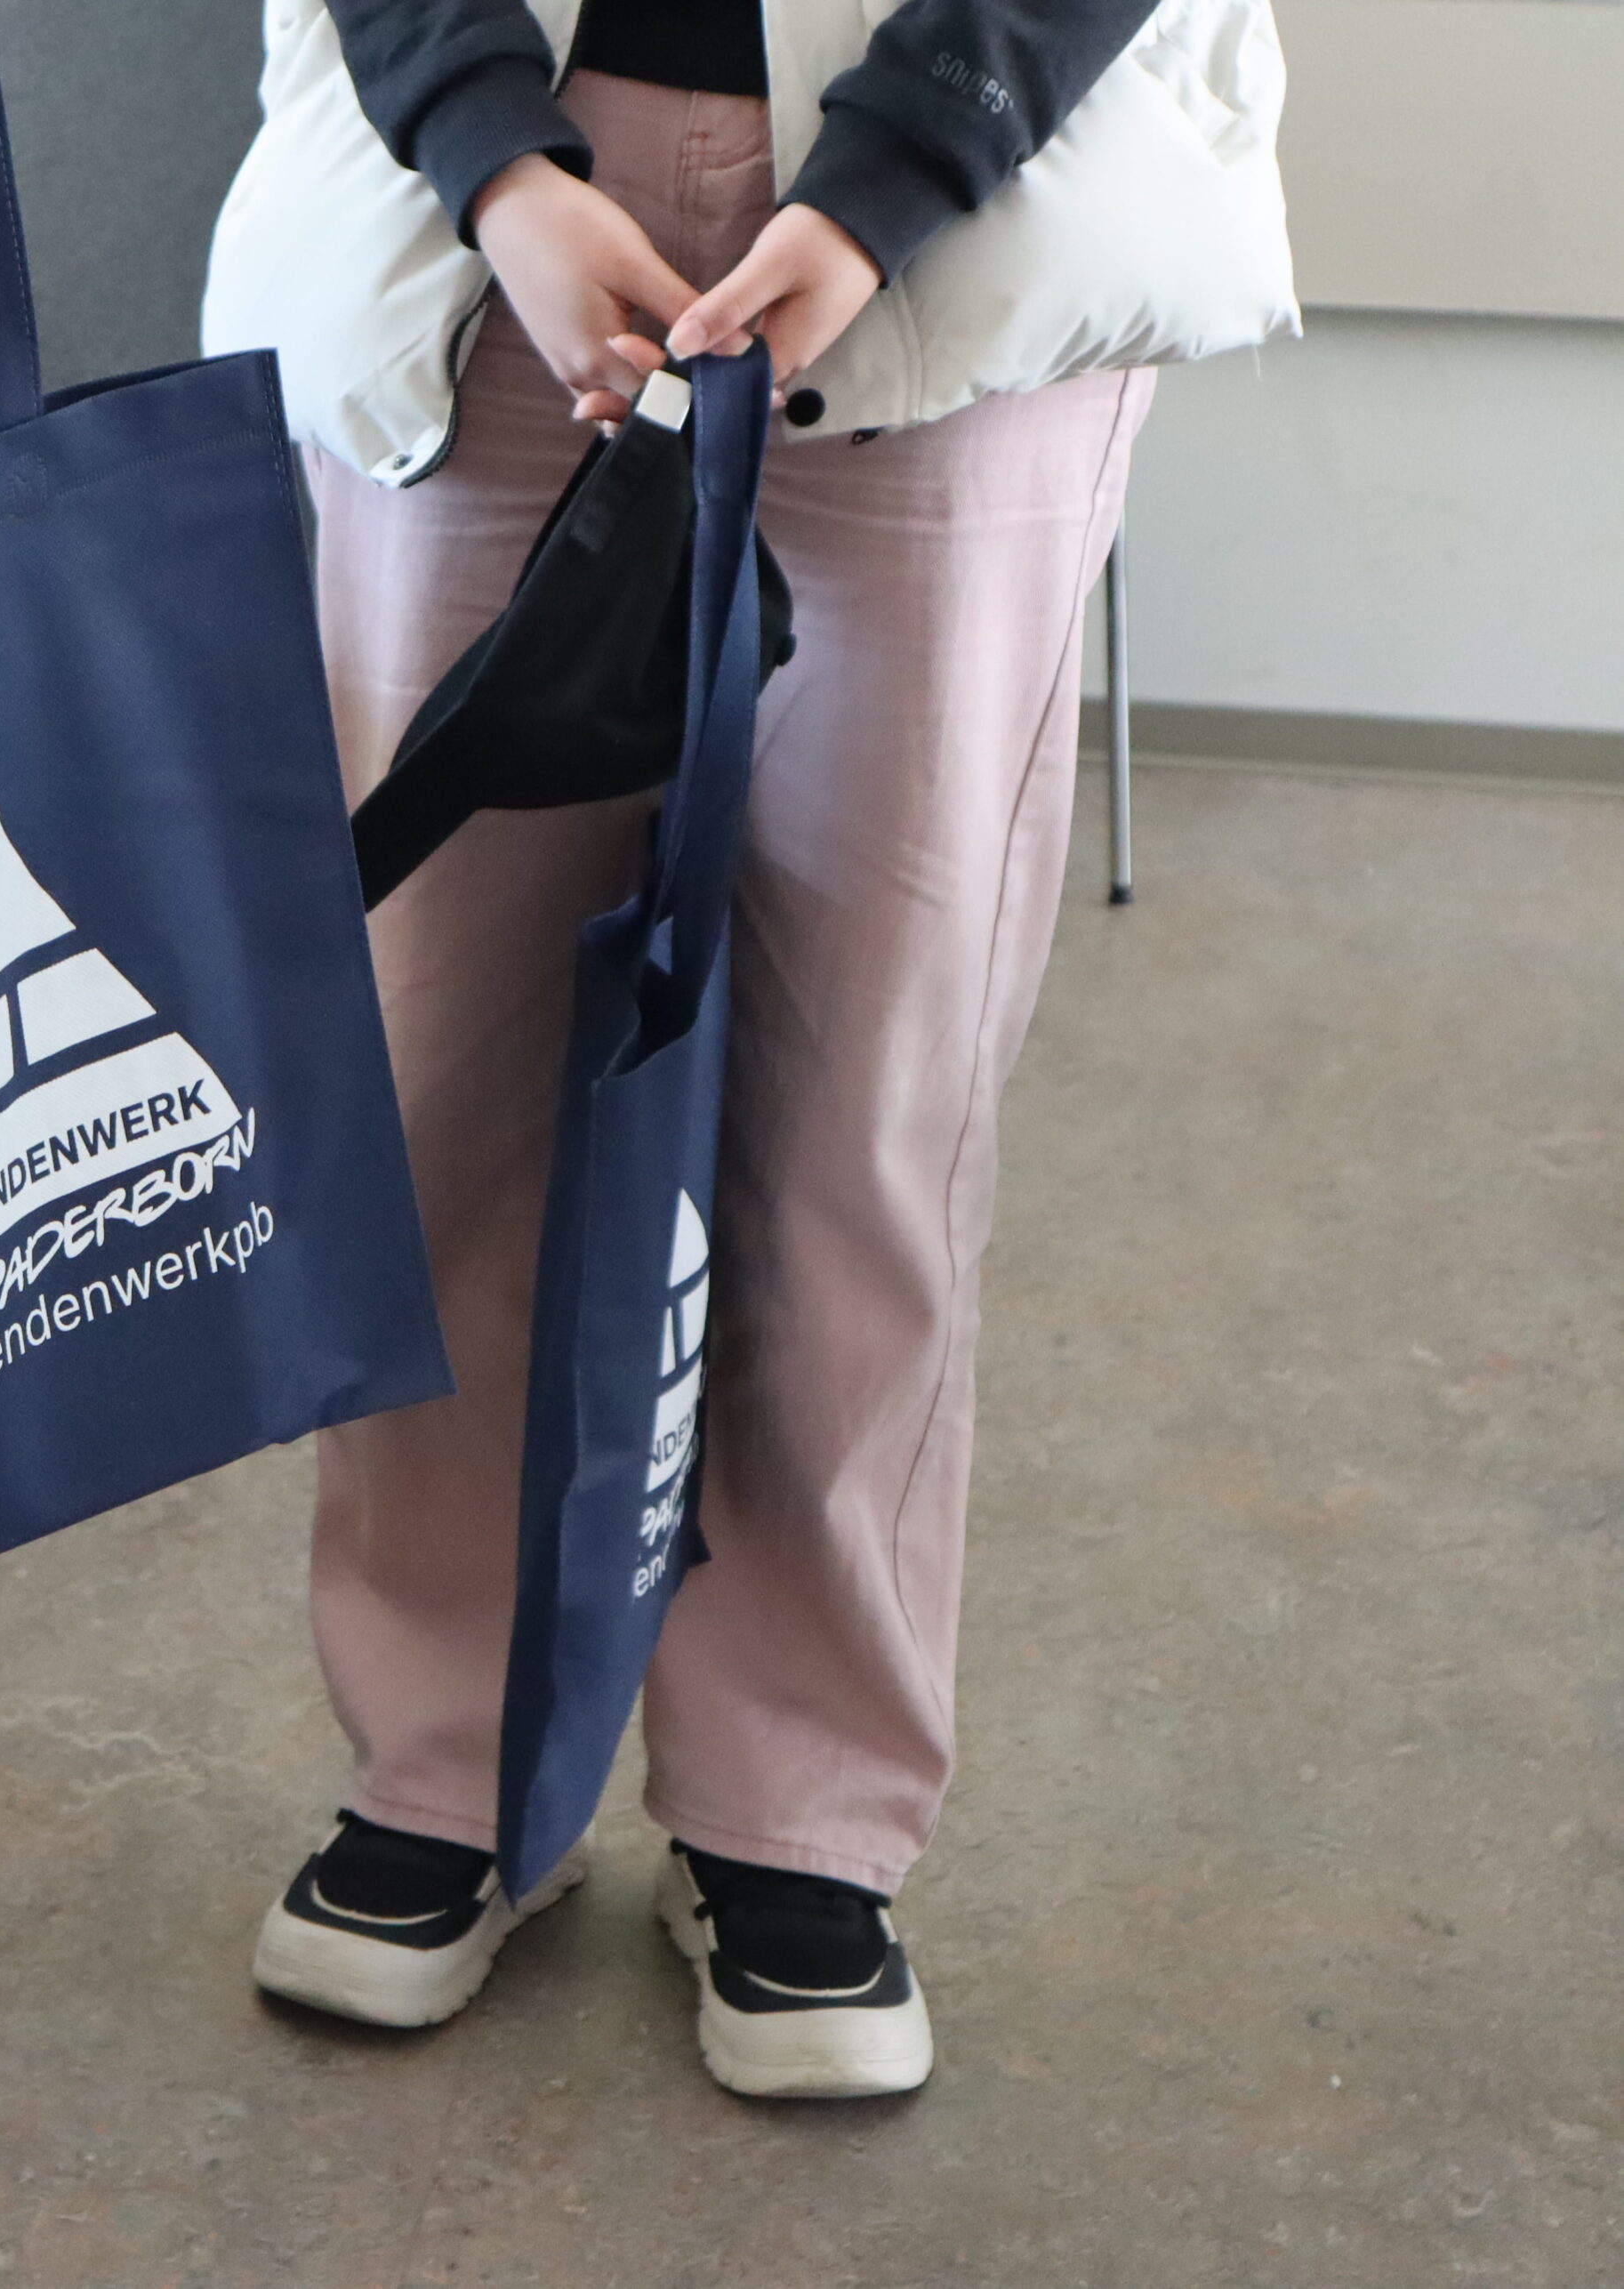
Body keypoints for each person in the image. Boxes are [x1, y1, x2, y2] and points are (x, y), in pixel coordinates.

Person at [230, 0, 1277, 2094]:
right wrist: (491, 157)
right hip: (472, 212)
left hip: (986, 187)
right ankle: (451, 1753)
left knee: (864, 1085)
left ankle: (791, 1803)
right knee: (436, 1064)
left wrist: (898, 165)